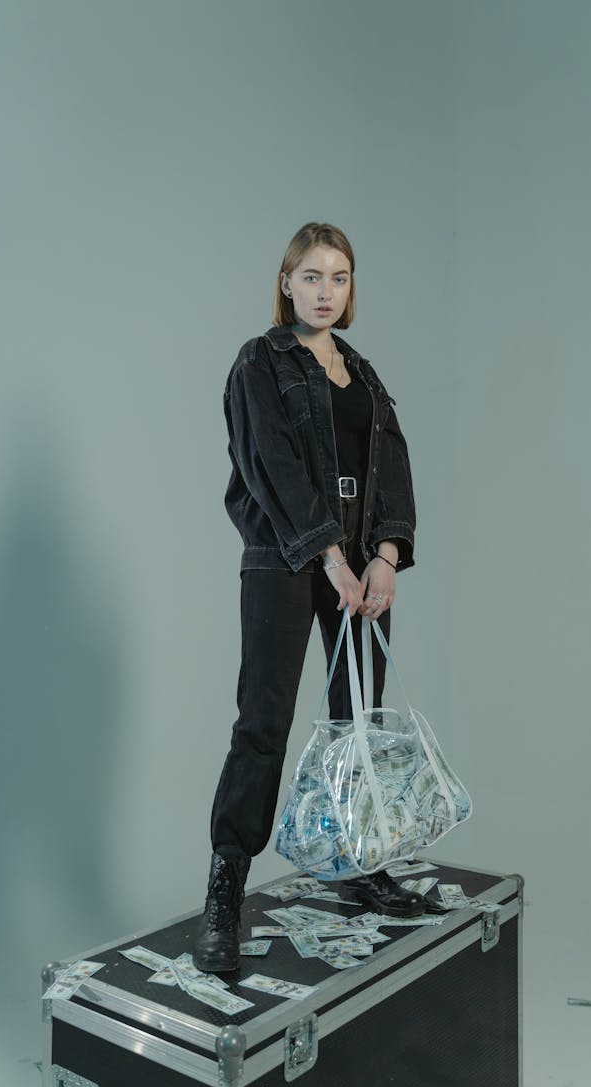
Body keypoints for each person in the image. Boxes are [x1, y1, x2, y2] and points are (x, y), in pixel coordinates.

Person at [194, 221, 425, 975]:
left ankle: (357, 861)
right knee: (264, 719)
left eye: (340, 278)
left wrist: (386, 553)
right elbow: (271, 463)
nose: (326, 291)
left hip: (363, 563)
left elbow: (391, 463)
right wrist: (328, 554)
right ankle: (227, 885)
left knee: (355, 718)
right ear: (287, 282)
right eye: (313, 276)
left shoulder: (361, 371)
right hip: (287, 558)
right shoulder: (260, 363)